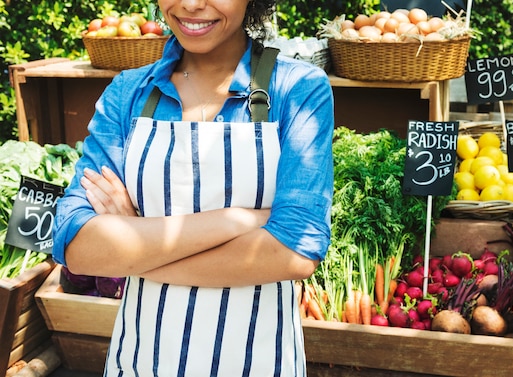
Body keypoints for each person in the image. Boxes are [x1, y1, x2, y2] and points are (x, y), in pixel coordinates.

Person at [52, 0, 334, 375]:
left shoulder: (296, 90)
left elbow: (296, 252)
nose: (191, 4)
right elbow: (77, 246)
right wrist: (241, 220)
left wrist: (133, 244)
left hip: (258, 361)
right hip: (141, 361)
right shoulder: (129, 93)